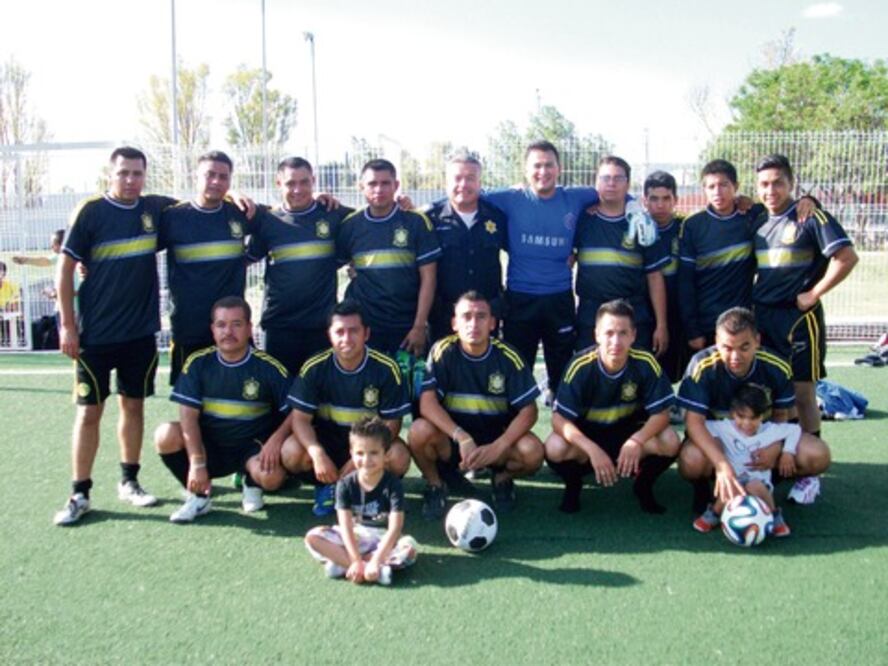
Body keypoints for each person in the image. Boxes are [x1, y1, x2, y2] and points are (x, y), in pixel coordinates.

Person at [53, 146, 175, 525]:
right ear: (111, 174)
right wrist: (67, 325)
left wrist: (235, 194)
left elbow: (203, 202)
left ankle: (129, 481)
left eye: (137, 173)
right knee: (89, 411)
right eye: (123, 173)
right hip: (95, 336)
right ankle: (79, 493)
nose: (130, 180)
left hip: (139, 334)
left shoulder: (155, 209)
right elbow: (64, 269)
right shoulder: (91, 212)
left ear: (145, 175)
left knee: (133, 406)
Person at [677, 307, 832, 515]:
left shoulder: (777, 366)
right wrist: (721, 464)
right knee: (691, 460)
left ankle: (765, 482)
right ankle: (706, 488)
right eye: (727, 348)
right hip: (721, 442)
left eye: (744, 347)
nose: (735, 356)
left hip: (760, 441)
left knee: (818, 454)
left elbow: (781, 416)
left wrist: (774, 448)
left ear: (757, 341)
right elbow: (693, 423)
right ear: (716, 342)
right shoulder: (701, 366)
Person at [153, 296, 292, 522]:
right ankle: (199, 496)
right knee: (165, 435)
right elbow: (188, 417)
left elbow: (295, 412)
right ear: (213, 330)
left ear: (249, 328)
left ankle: (251, 482)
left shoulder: (268, 367)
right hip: (210, 447)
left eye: (236, 324)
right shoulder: (198, 363)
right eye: (221, 325)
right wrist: (197, 463)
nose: (228, 332)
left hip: (252, 448)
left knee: (272, 478)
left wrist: (275, 441)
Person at [752, 153, 858, 449]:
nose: (770, 190)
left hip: (799, 319)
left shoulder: (809, 216)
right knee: (772, 392)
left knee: (802, 392)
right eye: (763, 184)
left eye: (777, 183)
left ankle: (812, 462)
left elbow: (847, 257)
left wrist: (814, 293)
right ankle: (782, 454)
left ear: (791, 183)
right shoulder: (757, 220)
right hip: (763, 317)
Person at [408, 291, 543, 519]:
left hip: (496, 439)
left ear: (492, 323)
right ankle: (436, 485)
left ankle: (502, 479)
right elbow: (427, 404)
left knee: (533, 452)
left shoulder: (508, 356)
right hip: (455, 440)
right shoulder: (443, 351)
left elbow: (529, 411)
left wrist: (500, 446)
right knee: (418, 431)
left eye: (481, 316)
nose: (473, 324)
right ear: (454, 323)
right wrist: (461, 437)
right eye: (466, 316)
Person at [481, 141, 601, 394]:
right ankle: (517, 417)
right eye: (536, 166)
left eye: (549, 165)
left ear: (559, 169)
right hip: (520, 299)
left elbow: (615, 191)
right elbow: (465, 193)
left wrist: (634, 205)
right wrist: (413, 204)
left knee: (562, 371)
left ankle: (560, 412)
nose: (543, 171)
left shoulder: (576, 197)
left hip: (559, 298)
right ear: (526, 170)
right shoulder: (510, 198)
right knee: (517, 371)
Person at [545, 299, 680, 514]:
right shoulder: (580, 366)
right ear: (597, 335)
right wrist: (592, 449)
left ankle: (643, 485)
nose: (616, 341)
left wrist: (636, 441)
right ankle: (574, 485)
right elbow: (559, 419)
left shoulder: (645, 362)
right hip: (589, 435)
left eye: (623, 333)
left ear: (633, 335)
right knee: (555, 446)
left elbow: (662, 414)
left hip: (629, 433)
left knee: (670, 440)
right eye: (609, 333)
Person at [282, 299, 412, 516]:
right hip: (328, 443)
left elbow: (392, 423)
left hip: (367, 443)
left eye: (353, 331)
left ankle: (371, 489)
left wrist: (358, 459)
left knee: (399, 457)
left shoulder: (386, 368)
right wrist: (317, 453)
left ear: (366, 334)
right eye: (339, 332)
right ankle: (326, 486)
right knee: (290, 451)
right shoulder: (315, 367)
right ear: (329, 335)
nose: (346, 339)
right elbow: (300, 419)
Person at [246, 157, 353, 375]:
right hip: (279, 327)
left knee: (320, 392)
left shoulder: (333, 214)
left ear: (314, 180)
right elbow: (244, 259)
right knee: (280, 392)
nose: (298, 190)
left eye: (304, 182)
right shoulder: (267, 221)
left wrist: (402, 202)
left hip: (322, 327)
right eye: (290, 183)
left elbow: (373, 216)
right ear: (278, 184)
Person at [159, 150, 255, 384]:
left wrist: (316, 196)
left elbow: (286, 213)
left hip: (233, 328)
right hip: (189, 328)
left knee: (242, 395)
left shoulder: (240, 212)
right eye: (209, 175)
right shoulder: (173, 217)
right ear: (196, 176)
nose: (216, 181)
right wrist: (86, 263)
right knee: (191, 399)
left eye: (223, 177)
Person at [337, 158, 441, 358]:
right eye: (372, 183)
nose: (379, 189)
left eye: (385, 183)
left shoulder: (416, 221)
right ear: (361, 187)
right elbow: (331, 265)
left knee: (406, 378)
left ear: (396, 185)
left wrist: (419, 326)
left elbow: (429, 278)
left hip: (406, 326)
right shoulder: (350, 225)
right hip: (365, 326)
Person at [304, 416, 418, 585]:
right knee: (313, 537)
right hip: (356, 536)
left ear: (386, 454)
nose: (366, 460)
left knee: (409, 548)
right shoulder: (345, 484)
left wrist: (377, 559)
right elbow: (345, 526)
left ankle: (344, 565)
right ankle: (364, 568)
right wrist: (356, 560)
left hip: (383, 539)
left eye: (374, 453)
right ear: (351, 454)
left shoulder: (393, 485)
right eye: (360, 453)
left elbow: (395, 528)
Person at [574, 156, 669, 353]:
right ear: (596, 182)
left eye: (618, 178)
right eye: (605, 178)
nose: (611, 183)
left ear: (628, 184)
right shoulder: (581, 219)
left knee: (635, 371)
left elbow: (654, 276)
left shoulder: (643, 224)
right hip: (590, 315)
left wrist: (661, 324)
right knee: (589, 369)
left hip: (633, 313)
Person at [423, 152, 507, 344]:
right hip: (443, 316)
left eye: (470, 178)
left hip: (485, 316)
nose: (463, 184)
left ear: (479, 183)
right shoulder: (429, 219)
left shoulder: (497, 217)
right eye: (457, 178)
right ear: (446, 182)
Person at [693, 383, 798, 537]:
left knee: (754, 485)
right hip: (733, 479)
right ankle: (714, 514)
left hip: (760, 482)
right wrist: (717, 444)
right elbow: (701, 426)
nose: (747, 423)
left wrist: (788, 452)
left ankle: (775, 516)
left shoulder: (770, 430)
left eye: (753, 418)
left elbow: (794, 429)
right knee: (732, 485)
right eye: (741, 417)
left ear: (762, 416)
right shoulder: (724, 427)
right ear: (732, 413)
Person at [643, 171, 686, 382]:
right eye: (654, 199)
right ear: (645, 200)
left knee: (679, 371)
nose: (660, 205)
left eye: (666, 198)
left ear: (675, 200)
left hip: (681, 312)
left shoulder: (687, 227)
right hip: (644, 312)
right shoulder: (637, 227)